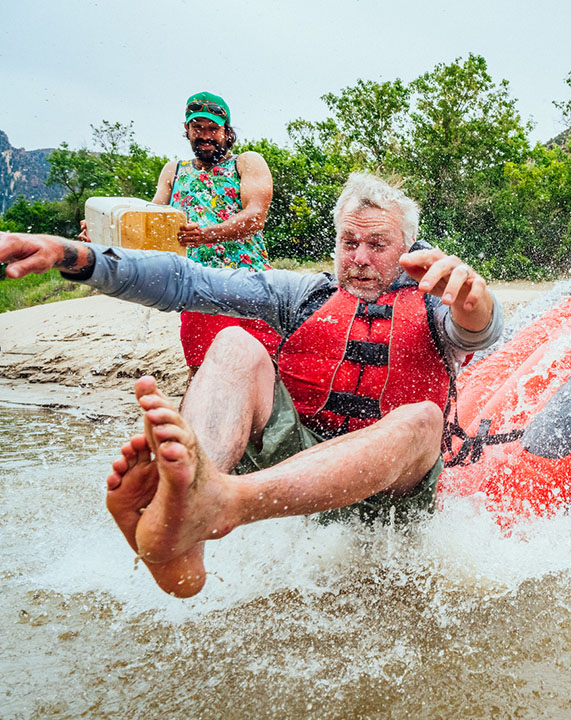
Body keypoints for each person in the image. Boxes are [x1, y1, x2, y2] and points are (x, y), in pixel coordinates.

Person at [1, 173, 503, 598]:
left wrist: (471, 294)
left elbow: (478, 328)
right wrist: (76, 257)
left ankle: (227, 503)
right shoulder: (303, 295)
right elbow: (186, 281)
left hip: (389, 492)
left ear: (407, 248)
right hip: (298, 464)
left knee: (422, 419)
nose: (360, 258)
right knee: (235, 344)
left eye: (377, 245)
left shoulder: (436, 304)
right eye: (349, 243)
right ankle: (188, 507)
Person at [81, 92, 281, 370]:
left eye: (214, 128)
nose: (206, 135)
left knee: (266, 368)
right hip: (198, 287)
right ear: (186, 129)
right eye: (198, 127)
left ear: (227, 131)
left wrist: (205, 235)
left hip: (251, 284)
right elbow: (145, 226)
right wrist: (101, 237)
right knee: (203, 372)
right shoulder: (173, 171)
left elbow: (255, 218)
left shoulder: (246, 162)